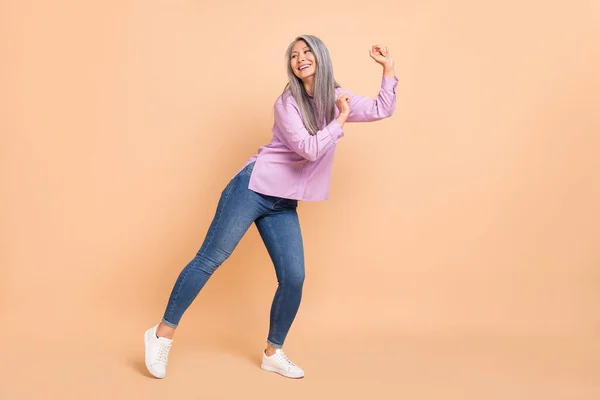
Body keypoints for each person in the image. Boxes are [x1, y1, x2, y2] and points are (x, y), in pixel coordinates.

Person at [144, 34, 398, 379]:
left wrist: (387, 68)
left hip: (283, 201)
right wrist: (340, 122)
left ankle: (273, 352)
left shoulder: (339, 97)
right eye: (294, 55)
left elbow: (384, 108)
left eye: (307, 51)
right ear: (291, 66)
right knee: (210, 258)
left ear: (321, 58)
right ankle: (161, 335)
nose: (301, 58)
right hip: (253, 187)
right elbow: (309, 148)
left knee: (294, 276)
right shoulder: (287, 102)